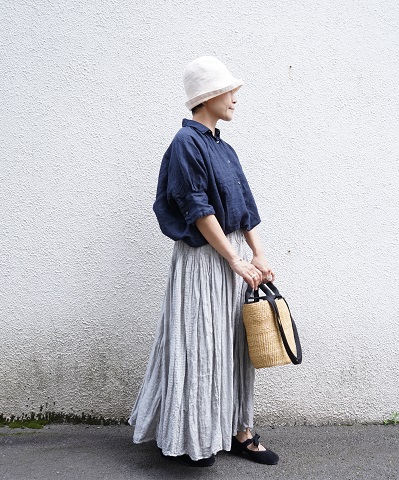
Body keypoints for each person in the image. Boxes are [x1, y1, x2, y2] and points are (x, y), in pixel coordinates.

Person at [128, 56, 279, 467]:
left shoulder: (223, 148)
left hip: (232, 259)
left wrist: (258, 254)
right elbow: (196, 209)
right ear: (209, 95)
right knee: (201, 347)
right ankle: (194, 439)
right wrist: (234, 259)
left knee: (234, 348)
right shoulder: (186, 143)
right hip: (204, 261)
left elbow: (244, 206)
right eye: (229, 91)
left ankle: (239, 432)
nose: (235, 99)